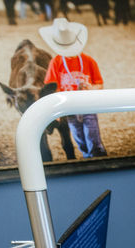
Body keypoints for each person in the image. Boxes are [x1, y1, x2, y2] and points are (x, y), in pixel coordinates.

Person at [39, 18, 108, 158]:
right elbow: (51, 88)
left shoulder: (88, 61)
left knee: (93, 138)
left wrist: (91, 88)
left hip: (88, 106)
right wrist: (56, 110)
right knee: (80, 139)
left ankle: (97, 159)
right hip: (69, 109)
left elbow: (99, 84)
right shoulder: (56, 62)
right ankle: (88, 158)